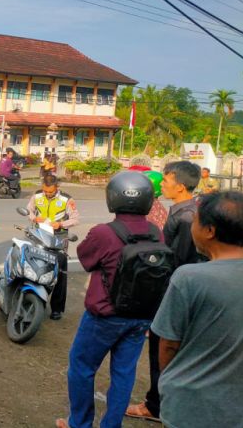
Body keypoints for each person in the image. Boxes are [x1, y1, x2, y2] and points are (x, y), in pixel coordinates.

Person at [57, 171, 161, 428]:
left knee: (81, 367)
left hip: (104, 316)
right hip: (141, 317)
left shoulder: (104, 232)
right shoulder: (156, 231)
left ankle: (79, 423)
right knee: (124, 373)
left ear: (112, 198)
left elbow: (85, 259)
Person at [149, 191, 243, 428]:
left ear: (210, 231)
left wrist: (169, 381)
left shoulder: (190, 278)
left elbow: (168, 343)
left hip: (192, 406)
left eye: (196, 221)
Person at [126, 161, 203, 423]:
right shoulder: (190, 210)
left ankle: (155, 406)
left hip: (174, 292)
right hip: (185, 290)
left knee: (162, 349)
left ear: (180, 186)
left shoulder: (184, 217)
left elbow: (176, 261)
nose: (163, 184)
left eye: (167, 181)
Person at [26, 174, 79, 320]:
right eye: (45, 191)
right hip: (39, 234)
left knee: (59, 273)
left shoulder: (67, 199)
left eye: (51, 192)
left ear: (57, 188)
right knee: (34, 268)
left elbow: (75, 218)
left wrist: (61, 224)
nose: (48, 194)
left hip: (59, 237)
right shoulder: (37, 196)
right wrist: (34, 218)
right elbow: (29, 210)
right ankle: (33, 302)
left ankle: (57, 309)